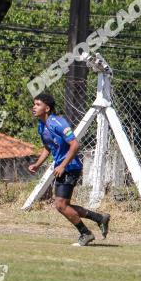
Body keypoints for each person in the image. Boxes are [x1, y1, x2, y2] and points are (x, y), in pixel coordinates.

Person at [28, 92, 110, 246]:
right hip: (62, 167)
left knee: (60, 205)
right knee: (63, 205)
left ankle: (86, 234)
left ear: (47, 108)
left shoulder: (58, 123)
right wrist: (37, 164)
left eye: (38, 104)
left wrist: (63, 165)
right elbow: (48, 147)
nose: (34, 107)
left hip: (70, 167)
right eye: (34, 104)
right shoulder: (41, 125)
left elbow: (75, 145)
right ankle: (99, 218)